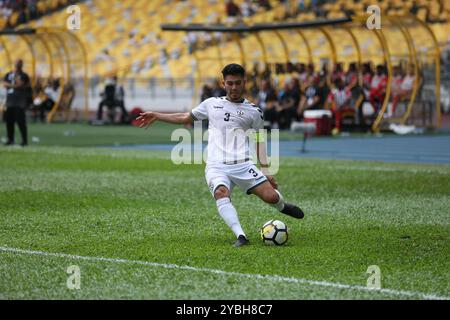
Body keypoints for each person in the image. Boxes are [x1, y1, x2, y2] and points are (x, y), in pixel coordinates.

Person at [137, 63, 304, 247]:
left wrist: (265, 169)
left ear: (245, 83)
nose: (234, 87)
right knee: (221, 193)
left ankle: (282, 207)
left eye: (238, 83)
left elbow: (259, 139)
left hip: (242, 164)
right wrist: (157, 115)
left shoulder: (254, 112)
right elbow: (185, 117)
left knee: (271, 197)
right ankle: (241, 236)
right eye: (230, 83)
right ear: (223, 83)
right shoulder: (211, 104)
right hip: (216, 165)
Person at [3, 59, 31, 146]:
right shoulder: (8, 74)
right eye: (16, 62)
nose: (17, 64)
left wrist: (17, 80)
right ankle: (10, 139)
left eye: (19, 62)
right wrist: (14, 85)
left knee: (21, 121)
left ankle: (24, 140)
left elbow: (21, 85)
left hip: (20, 101)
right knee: (9, 121)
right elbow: (4, 83)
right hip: (10, 100)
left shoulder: (24, 75)